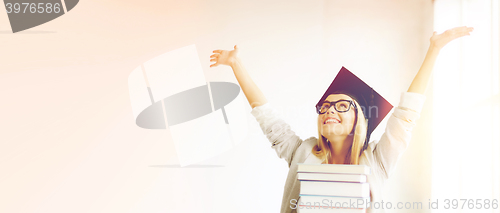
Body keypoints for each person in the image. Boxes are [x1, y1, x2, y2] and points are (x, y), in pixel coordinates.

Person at [210, 26, 473, 213]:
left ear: (359, 117)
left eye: (341, 105)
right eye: (325, 106)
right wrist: (236, 64)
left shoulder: (376, 161)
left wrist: (434, 49)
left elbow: (405, 116)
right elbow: (268, 118)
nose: (329, 110)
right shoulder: (302, 153)